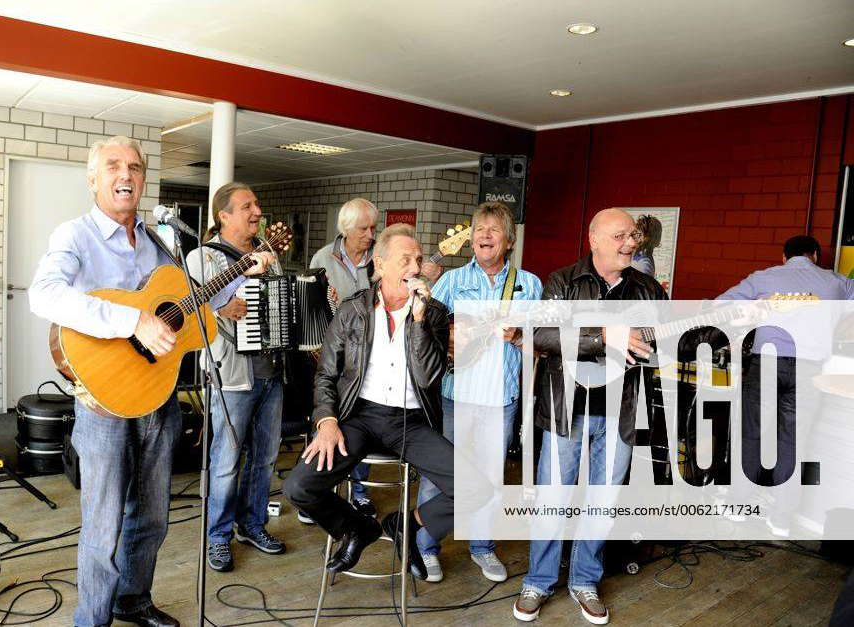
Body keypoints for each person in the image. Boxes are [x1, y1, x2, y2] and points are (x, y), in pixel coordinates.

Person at [30, 136, 214, 627]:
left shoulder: (159, 243)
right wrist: (130, 322)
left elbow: (180, 309)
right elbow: (44, 294)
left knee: (152, 518)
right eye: (113, 165)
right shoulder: (75, 235)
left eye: (135, 166)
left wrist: (229, 287)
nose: (125, 174)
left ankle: (132, 600)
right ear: (93, 179)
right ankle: (92, 619)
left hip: (159, 398)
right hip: (103, 407)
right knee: (103, 525)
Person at [283, 223, 471, 579]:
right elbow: (325, 374)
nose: (415, 268)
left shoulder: (434, 313)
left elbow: (431, 376)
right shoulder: (353, 309)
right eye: (405, 260)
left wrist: (418, 321)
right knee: (299, 487)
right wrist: (326, 421)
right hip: (359, 415)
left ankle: (407, 525)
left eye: (418, 260)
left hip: (411, 421)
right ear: (380, 266)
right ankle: (355, 528)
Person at [514, 208, 666, 625]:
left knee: (603, 499)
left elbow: (669, 342)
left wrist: (729, 322)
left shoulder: (649, 290)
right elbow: (539, 335)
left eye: (633, 235)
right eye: (619, 236)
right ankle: (539, 581)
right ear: (594, 239)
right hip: (567, 407)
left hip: (622, 410)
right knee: (553, 497)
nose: (630, 243)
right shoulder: (563, 281)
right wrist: (604, 337)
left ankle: (585, 580)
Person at [414, 201, 542, 584]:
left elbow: (542, 341)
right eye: (479, 229)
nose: (484, 235)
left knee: (489, 478)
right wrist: (448, 339)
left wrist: (520, 336)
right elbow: (424, 330)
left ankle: (482, 547)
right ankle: (425, 547)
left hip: (500, 399)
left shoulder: (529, 284)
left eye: (493, 230)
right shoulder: (451, 281)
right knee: (439, 475)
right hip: (454, 394)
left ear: (509, 240)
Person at [717, 235, 854, 535]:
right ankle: (781, 519)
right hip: (809, 369)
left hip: (767, 362)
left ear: (784, 257)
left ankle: (738, 505)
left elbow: (721, 305)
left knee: (753, 434)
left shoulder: (766, 277)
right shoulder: (837, 283)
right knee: (794, 440)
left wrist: (755, 313)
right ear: (815, 255)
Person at [185, 182, 284, 573]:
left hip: (271, 369)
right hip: (231, 374)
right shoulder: (201, 259)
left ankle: (252, 524)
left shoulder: (268, 253)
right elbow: (191, 312)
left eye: (257, 204)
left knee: (265, 457)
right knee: (226, 460)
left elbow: (277, 300)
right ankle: (218, 537)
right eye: (246, 206)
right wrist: (223, 306)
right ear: (223, 216)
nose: (256, 211)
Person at [308, 198, 381, 521]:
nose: (370, 234)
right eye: (364, 228)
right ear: (346, 229)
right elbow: (312, 309)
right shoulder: (323, 258)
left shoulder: (380, 259)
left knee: (360, 424)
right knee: (325, 420)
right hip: (332, 357)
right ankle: (315, 493)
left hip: (369, 360)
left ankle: (359, 493)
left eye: (373, 228)